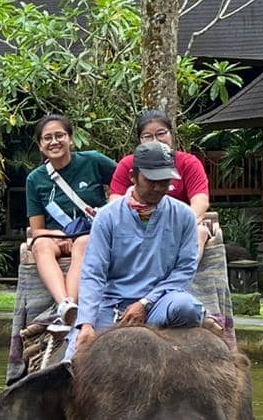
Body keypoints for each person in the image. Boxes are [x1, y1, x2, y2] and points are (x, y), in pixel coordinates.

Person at [69, 141, 206, 358]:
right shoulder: (107, 216)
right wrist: (86, 323)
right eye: (151, 180)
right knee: (75, 358)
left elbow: (185, 270)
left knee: (186, 306)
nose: (159, 187)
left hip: (159, 303)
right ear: (133, 176)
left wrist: (145, 302)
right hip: (113, 304)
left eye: (165, 180)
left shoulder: (184, 216)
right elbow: (94, 273)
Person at [24, 114, 117, 329]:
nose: (54, 142)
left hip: (90, 234)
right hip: (54, 237)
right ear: (40, 145)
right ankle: (65, 305)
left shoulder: (93, 160)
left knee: (84, 244)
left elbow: (125, 180)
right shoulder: (35, 179)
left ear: (70, 139)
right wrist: (63, 237)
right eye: (47, 138)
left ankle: (71, 305)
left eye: (60, 135)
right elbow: (37, 230)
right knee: (40, 245)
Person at [108, 110, 214, 255]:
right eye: (147, 136)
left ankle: (181, 276)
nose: (155, 140)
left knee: (199, 232)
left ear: (171, 134)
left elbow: (200, 202)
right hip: (137, 226)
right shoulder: (128, 164)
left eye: (161, 133)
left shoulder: (188, 163)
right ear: (139, 140)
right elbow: (115, 202)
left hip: (179, 225)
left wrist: (179, 226)